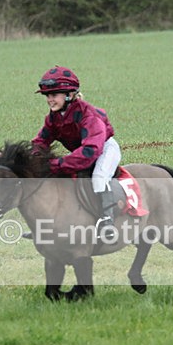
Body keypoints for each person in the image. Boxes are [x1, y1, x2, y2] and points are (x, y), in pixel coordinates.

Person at [31, 66, 122, 239]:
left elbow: (90, 151)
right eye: (47, 96)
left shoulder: (89, 115)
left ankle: (107, 222)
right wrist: (34, 158)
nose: (50, 100)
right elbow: (40, 141)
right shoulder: (54, 117)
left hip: (104, 149)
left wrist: (58, 164)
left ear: (69, 95)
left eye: (54, 95)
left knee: (98, 178)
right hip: (83, 151)